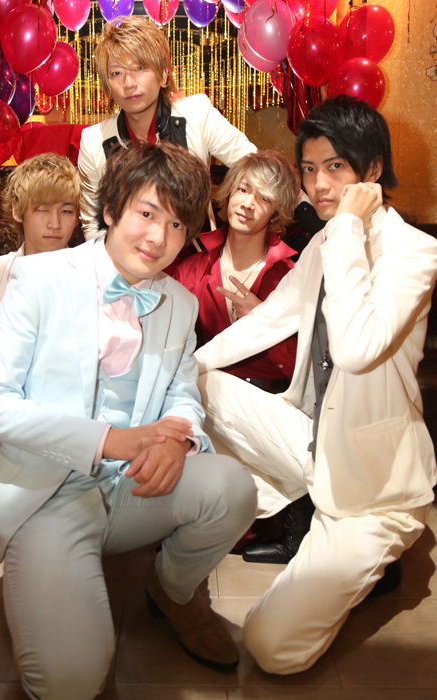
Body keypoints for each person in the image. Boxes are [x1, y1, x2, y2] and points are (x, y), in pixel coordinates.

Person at [0, 141, 257, 700]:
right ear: (110, 209)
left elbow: (181, 391)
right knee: (71, 680)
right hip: (48, 492)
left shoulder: (179, 302)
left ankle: (171, 589)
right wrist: (108, 440)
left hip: (131, 488)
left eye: (177, 224)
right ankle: (42, 575)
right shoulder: (41, 278)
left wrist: (177, 441)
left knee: (232, 488)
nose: (159, 237)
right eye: (146, 213)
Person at [195, 95, 437, 674]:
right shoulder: (328, 244)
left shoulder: (414, 253)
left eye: (335, 166)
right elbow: (268, 321)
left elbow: (356, 348)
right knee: (200, 387)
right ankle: (279, 523)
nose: (318, 184)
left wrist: (348, 227)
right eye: (309, 168)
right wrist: (179, 375)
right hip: (316, 445)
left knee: (271, 648)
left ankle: (372, 557)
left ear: (371, 169)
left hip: (375, 490)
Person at [167, 150, 301, 556]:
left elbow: (302, 365)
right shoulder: (191, 268)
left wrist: (264, 320)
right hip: (205, 409)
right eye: (243, 189)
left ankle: (292, 514)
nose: (248, 203)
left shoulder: (290, 275)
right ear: (227, 195)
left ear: (276, 211)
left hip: (271, 404)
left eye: (264, 197)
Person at [0, 153, 81, 536]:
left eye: (66, 210)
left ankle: (37, 494)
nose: (55, 223)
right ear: (17, 211)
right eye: (42, 210)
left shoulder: (93, 277)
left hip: (72, 407)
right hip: (3, 404)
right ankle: (0, 488)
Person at [78, 15, 256, 240]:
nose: (128, 83)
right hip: (128, 259)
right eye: (116, 73)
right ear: (107, 84)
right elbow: (94, 228)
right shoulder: (93, 140)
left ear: (163, 74)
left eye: (139, 68)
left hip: (195, 255)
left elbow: (255, 167)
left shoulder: (197, 113)